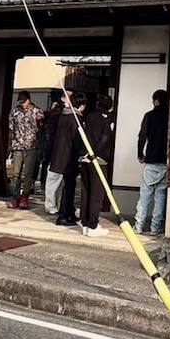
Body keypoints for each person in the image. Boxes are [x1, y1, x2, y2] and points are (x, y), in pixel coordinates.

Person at [79, 94, 116, 238]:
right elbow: (105, 139)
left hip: (85, 159)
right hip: (98, 160)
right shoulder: (108, 119)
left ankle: (85, 222)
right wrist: (94, 155)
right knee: (97, 193)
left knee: (86, 191)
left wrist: (85, 155)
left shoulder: (89, 117)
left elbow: (84, 136)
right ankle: (93, 225)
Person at [135, 89, 169, 235]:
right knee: (160, 195)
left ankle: (139, 226)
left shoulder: (149, 116)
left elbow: (142, 136)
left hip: (151, 159)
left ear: (156, 101)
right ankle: (155, 228)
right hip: (165, 161)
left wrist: (140, 153)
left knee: (145, 195)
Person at [50, 92, 86, 226]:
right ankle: (64, 215)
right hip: (69, 156)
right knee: (69, 187)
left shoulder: (64, 116)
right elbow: (77, 141)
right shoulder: (75, 119)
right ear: (81, 106)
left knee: (67, 185)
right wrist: (80, 157)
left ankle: (69, 212)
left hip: (61, 155)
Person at [7, 91, 43, 209]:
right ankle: (15, 196)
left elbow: (42, 127)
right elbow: (11, 127)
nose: (23, 104)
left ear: (29, 99)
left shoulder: (37, 112)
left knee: (28, 173)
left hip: (31, 146)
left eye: (25, 101)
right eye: (21, 102)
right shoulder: (15, 112)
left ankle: (25, 196)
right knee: (16, 173)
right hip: (18, 146)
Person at [40, 98, 64, 214]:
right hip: (61, 153)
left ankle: (51, 205)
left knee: (52, 181)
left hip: (54, 153)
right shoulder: (63, 119)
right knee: (58, 182)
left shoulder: (53, 120)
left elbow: (50, 138)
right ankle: (56, 205)